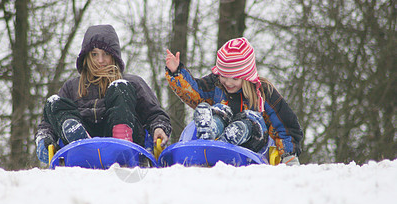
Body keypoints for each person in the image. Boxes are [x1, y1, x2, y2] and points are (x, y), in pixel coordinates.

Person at [35, 24, 171, 164]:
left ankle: (121, 141)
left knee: (120, 87)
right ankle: (79, 140)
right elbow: (48, 123)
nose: (100, 61)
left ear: (114, 56)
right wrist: (45, 138)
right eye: (94, 54)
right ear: (87, 56)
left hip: (121, 140)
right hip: (84, 139)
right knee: (54, 103)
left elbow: (155, 114)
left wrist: (159, 127)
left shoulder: (132, 82)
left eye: (105, 54)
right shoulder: (71, 87)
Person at [165, 37, 303, 165]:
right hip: (218, 141)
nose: (228, 82)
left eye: (235, 78)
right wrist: (176, 72)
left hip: (252, 146)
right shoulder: (216, 84)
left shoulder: (262, 92)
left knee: (252, 120)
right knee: (219, 111)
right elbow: (195, 92)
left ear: (247, 76)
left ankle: (237, 132)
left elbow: (284, 124)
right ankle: (210, 129)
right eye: (223, 76)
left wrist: (288, 154)